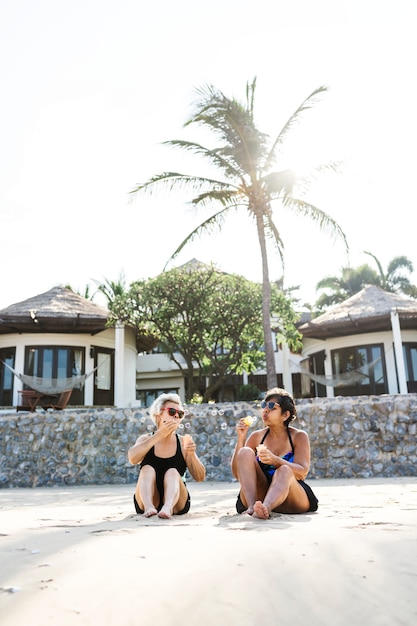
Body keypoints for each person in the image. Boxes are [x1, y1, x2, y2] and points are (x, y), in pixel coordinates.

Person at [231, 387, 318, 519]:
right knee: (244, 452)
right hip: (260, 496)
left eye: (272, 406)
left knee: (284, 470)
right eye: (264, 405)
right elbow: (238, 474)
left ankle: (266, 508)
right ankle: (252, 508)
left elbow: (302, 472)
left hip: (290, 495)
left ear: (285, 415)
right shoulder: (256, 437)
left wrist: (275, 460)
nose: (266, 409)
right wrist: (241, 439)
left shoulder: (298, 436)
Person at [128, 393, 206, 519]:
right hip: (148, 499)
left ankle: (167, 507)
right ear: (158, 416)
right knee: (146, 469)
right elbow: (132, 458)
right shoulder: (145, 439)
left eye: (180, 413)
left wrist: (191, 455)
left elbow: (200, 477)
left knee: (173, 472)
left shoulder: (182, 442)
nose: (176, 415)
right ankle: (149, 507)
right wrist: (159, 434)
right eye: (171, 411)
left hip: (177, 502)